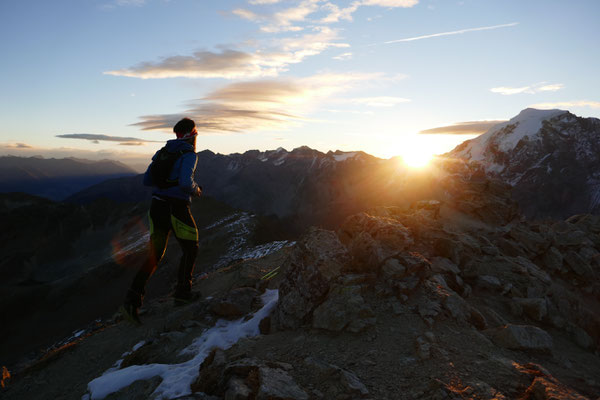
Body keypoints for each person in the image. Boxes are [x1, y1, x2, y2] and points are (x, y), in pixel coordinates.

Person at [121, 117, 202, 324]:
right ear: (192, 134)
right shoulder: (189, 155)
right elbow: (185, 183)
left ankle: (132, 300)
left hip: (156, 206)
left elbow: (147, 180)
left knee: (155, 254)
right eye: (195, 132)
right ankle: (183, 294)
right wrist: (196, 189)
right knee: (191, 248)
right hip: (176, 207)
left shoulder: (162, 152)